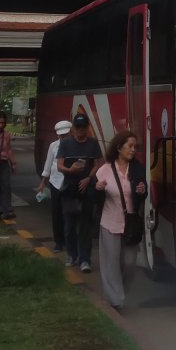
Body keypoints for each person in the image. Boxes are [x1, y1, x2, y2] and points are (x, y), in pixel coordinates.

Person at [94, 130, 147, 312]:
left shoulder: (138, 169)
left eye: (135, 147)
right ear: (119, 147)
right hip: (110, 222)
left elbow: (142, 193)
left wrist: (142, 190)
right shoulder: (105, 170)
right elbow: (95, 198)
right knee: (111, 264)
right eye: (130, 146)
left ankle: (119, 292)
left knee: (130, 263)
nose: (133, 150)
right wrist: (98, 189)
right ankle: (116, 300)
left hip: (130, 224)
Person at [57, 113, 103, 272]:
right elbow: (59, 165)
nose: (81, 131)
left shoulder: (93, 144)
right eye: (78, 127)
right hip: (70, 189)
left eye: (84, 127)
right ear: (73, 128)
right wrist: (70, 170)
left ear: (87, 128)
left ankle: (85, 259)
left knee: (85, 226)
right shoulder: (65, 143)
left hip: (87, 190)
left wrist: (89, 178)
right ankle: (72, 255)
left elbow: (98, 164)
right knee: (69, 226)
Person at [38, 120, 72, 252]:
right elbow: (48, 165)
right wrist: (42, 182)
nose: (62, 138)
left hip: (70, 183)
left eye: (65, 135)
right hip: (55, 183)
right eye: (60, 135)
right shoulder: (53, 146)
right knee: (56, 214)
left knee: (69, 214)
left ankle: (70, 241)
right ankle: (59, 242)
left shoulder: (75, 146)